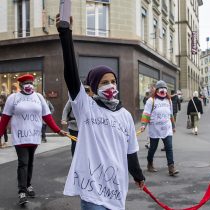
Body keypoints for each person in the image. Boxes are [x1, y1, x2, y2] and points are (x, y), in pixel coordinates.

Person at [57, 15, 145, 209]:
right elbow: (71, 75)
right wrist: (66, 34)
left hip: (117, 188)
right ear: (95, 87)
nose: (110, 85)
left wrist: (138, 175)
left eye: (113, 81)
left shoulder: (126, 116)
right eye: (104, 82)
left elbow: (131, 151)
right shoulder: (86, 108)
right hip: (93, 189)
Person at [0, 74, 66, 205]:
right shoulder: (13, 98)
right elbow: (5, 118)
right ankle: (22, 191)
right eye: (25, 83)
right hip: (20, 136)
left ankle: (28, 184)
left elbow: (47, 116)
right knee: (23, 162)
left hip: (34, 136)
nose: (29, 85)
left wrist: (58, 130)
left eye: (30, 82)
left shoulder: (39, 97)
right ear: (20, 85)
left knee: (30, 162)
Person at [140, 80, 179, 176]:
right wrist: (143, 125)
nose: (163, 90)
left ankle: (171, 168)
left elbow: (171, 115)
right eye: (161, 88)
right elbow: (146, 113)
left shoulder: (168, 100)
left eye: (165, 88)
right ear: (156, 90)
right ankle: (150, 163)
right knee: (153, 148)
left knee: (169, 147)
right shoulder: (151, 100)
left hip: (167, 128)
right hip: (155, 129)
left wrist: (173, 126)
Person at [61, 85, 93, 157]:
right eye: (85, 92)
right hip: (73, 126)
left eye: (88, 92)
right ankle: (74, 159)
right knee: (75, 143)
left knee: (86, 144)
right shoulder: (73, 99)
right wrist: (64, 119)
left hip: (86, 126)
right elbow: (66, 109)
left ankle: (84, 159)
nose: (86, 94)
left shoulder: (91, 101)